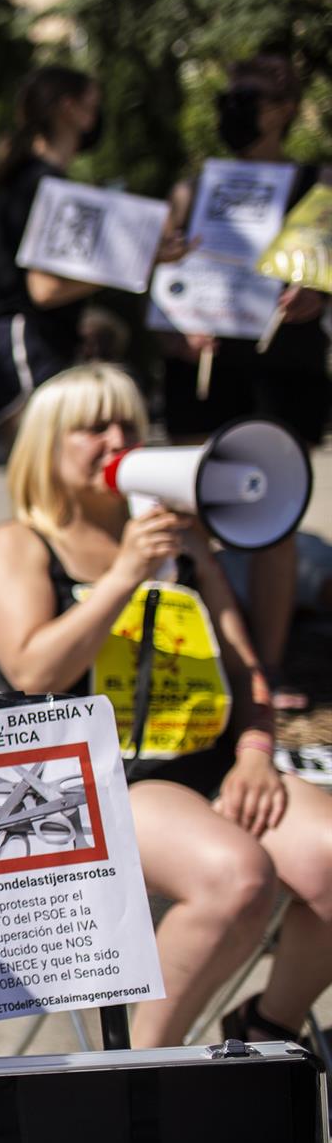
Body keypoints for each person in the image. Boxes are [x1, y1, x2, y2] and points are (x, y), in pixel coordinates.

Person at [0, 365, 332, 1049]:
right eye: (92, 427)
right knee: (237, 878)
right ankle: (143, 1067)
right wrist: (126, 574)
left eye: (128, 424)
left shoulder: (181, 539)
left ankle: (267, 1023)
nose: (116, 440)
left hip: (214, 766)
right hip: (92, 783)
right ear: (46, 444)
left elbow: (247, 667)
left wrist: (257, 753)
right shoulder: (20, 544)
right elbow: (34, 668)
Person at [158, 53, 329, 708]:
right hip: (203, 371)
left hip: (283, 369)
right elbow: (161, 278)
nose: (235, 108)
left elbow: (326, 274)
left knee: (274, 519)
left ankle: (267, 671)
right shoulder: (195, 187)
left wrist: (322, 301)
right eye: (231, 95)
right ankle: (199, 666)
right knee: (193, 513)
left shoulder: (318, 185)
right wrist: (171, 325)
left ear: (285, 107)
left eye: (249, 97)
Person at [0, 66, 105, 430]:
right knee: (43, 475)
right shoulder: (45, 184)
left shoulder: (33, 179)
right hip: (25, 346)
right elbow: (45, 290)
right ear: (68, 109)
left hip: (25, 344)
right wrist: (131, 267)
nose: (97, 117)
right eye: (93, 105)